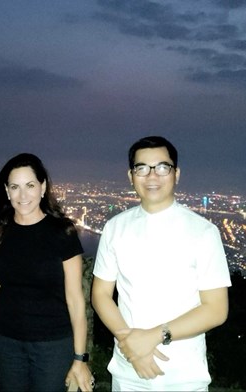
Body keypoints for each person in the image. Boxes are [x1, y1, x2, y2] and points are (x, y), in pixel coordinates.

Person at [91, 136, 232, 391]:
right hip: (128, 371)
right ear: (131, 176)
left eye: (162, 167)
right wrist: (132, 347)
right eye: (142, 168)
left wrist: (154, 337)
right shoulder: (115, 228)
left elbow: (216, 309)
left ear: (176, 174)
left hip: (184, 375)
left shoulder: (203, 232)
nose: (151, 176)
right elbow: (101, 294)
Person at [0, 153, 94, 391]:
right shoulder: (0, 232)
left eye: (30, 185)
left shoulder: (63, 232)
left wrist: (80, 358)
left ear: (43, 187)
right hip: (6, 343)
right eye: (15, 187)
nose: (23, 195)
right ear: (7, 192)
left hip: (53, 345)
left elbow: (75, 299)